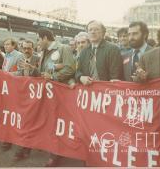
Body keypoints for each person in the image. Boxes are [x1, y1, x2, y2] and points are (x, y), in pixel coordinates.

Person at [37, 28, 76, 167]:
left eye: (38, 39)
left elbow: (71, 68)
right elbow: (45, 71)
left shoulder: (63, 48)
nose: (38, 42)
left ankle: (56, 154)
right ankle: (54, 150)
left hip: (61, 94)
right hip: (48, 93)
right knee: (50, 122)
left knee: (59, 123)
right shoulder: (43, 52)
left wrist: (53, 76)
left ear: (45, 38)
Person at [12, 39, 40, 161]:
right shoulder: (20, 58)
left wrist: (32, 68)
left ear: (33, 48)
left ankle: (27, 147)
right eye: (25, 48)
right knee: (24, 121)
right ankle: (23, 147)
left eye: (29, 48)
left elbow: (43, 74)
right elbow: (17, 72)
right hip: (23, 95)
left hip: (37, 96)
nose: (27, 50)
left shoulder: (38, 59)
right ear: (21, 48)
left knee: (32, 122)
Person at [75, 20, 123, 84]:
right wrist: (80, 77)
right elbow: (78, 72)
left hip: (106, 91)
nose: (93, 32)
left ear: (103, 33)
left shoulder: (113, 49)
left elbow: (116, 76)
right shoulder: (84, 51)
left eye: (96, 29)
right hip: (88, 90)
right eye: (90, 30)